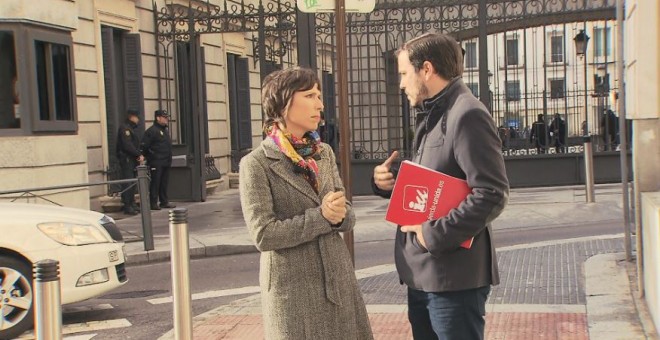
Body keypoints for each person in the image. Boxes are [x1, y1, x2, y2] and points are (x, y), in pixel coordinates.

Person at [372, 33, 509, 340]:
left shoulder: (467, 114)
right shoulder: (433, 113)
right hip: (425, 276)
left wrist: (433, 233)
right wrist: (386, 184)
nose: (402, 84)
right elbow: (435, 184)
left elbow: (492, 194)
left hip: (453, 281)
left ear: (427, 70)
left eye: (405, 74)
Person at [239, 67, 373, 340]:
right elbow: (264, 234)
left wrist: (339, 215)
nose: (320, 104)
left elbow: (346, 214)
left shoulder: (323, 153)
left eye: (319, 95)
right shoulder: (256, 164)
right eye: (310, 95)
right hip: (293, 292)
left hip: (337, 281)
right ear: (285, 102)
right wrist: (322, 217)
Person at [141, 109, 175, 210]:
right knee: (155, 182)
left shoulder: (164, 130)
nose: (166, 120)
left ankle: (164, 201)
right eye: (164, 118)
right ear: (158, 118)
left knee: (164, 182)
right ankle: (153, 202)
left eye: (167, 118)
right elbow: (145, 146)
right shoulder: (152, 131)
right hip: (156, 161)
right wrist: (148, 156)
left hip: (165, 161)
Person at [116, 109, 144, 215]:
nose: (138, 120)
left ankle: (131, 203)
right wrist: (138, 154)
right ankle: (127, 205)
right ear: (131, 117)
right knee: (128, 182)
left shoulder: (130, 128)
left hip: (131, 159)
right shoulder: (125, 129)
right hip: (127, 159)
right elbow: (127, 145)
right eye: (136, 117)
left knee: (132, 183)